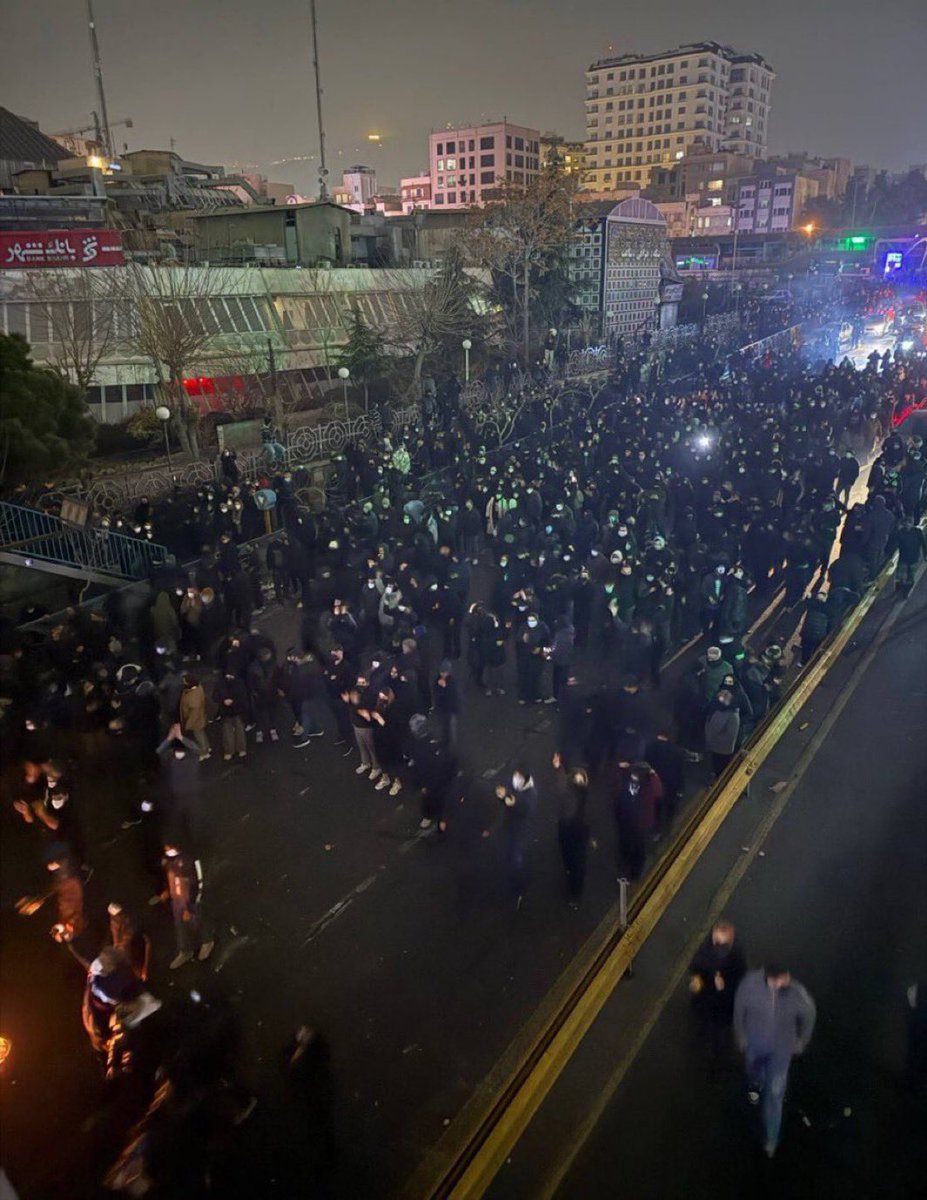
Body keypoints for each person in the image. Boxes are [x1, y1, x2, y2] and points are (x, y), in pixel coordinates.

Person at [733, 962, 816, 1157]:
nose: (787, 980)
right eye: (782, 978)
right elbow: (739, 1009)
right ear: (770, 978)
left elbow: (809, 1014)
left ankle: (771, 1137)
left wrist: (801, 1042)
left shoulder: (796, 993)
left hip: (780, 1053)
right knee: (754, 1072)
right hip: (755, 1048)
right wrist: (742, 1037)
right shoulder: (750, 985)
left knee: (775, 1094)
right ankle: (756, 1083)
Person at [688, 919, 747, 1065]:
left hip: (723, 1005)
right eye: (715, 940)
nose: (716, 945)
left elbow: (740, 982)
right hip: (705, 996)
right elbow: (697, 963)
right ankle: (703, 1036)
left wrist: (723, 987)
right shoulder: (710, 945)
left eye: (720, 943)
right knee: (703, 1022)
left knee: (719, 1035)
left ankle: (718, 1060)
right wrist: (696, 978)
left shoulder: (736, 958)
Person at [150, 841, 215, 969]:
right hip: (177, 901)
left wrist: (189, 907)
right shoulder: (167, 860)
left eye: (169, 846)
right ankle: (185, 951)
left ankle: (207, 941)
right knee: (180, 927)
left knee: (197, 921)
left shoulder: (189, 860)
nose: (167, 849)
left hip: (190, 901)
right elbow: (169, 878)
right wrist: (167, 891)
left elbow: (198, 884)